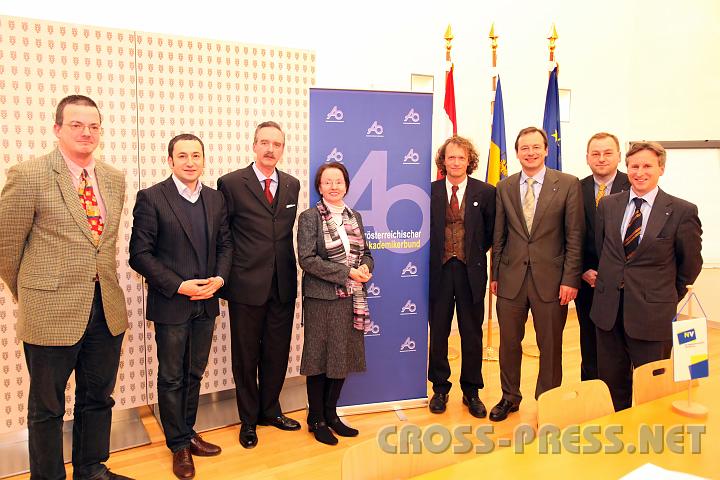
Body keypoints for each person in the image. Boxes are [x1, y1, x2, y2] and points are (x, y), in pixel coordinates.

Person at [0, 95, 132, 480]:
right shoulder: (29, 175)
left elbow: (101, 244)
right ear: (57, 129)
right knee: (47, 406)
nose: (86, 132)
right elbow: (6, 248)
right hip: (50, 313)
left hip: (105, 308)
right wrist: (34, 294)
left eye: (93, 125)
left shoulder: (112, 178)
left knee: (97, 398)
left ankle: (91, 468)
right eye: (76, 124)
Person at [129, 134, 232, 479]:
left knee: (194, 373)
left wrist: (219, 279)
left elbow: (226, 246)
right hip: (172, 303)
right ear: (170, 161)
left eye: (196, 155)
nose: (190, 161)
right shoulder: (152, 198)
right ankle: (178, 445)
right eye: (182, 156)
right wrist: (178, 285)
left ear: (204, 160)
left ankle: (187, 431)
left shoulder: (216, 199)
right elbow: (139, 254)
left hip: (206, 303)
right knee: (171, 376)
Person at [591, 142, 702, 411]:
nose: (640, 172)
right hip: (609, 313)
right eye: (634, 166)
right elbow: (602, 248)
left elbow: (690, 265)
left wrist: (664, 295)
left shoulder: (681, 211)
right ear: (626, 168)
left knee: (652, 389)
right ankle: (617, 437)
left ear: (661, 169)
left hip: (652, 315)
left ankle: (648, 441)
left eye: (647, 166)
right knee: (611, 385)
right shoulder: (608, 205)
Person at [489, 127, 584, 422]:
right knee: (508, 343)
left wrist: (570, 279)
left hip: (553, 282)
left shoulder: (568, 184)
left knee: (551, 346)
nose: (529, 153)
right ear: (516, 153)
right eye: (523, 148)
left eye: (535, 147)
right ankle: (509, 396)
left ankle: (548, 401)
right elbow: (499, 234)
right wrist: (495, 275)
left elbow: (575, 236)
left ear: (546, 150)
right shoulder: (505, 187)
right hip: (510, 279)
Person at [217, 121, 301, 449]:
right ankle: (248, 420)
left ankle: (270, 410)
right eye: (264, 142)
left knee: (277, 353)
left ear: (282, 149)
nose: (270, 149)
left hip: (282, 284)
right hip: (245, 285)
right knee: (246, 355)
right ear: (253, 146)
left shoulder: (292, 185)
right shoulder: (231, 183)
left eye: (276, 144)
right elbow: (223, 235)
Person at [297, 162, 373, 445]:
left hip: (351, 298)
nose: (333, 186)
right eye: (327, 182)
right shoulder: (309, 217)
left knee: (342, 356)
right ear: (319, 187)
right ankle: (315, 418)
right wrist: (346, 273)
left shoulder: (356, 217)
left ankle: (331, 414)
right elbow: (307, 259)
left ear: (346, 185)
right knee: (318, 358)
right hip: (322, 299)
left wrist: (364, 267)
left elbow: (365, 253)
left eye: (338, 181)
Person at [427, 136, 495, 418]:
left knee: (471, 332)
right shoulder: (429, 191)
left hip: (471, 273)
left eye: (461, 158)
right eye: (450, 157)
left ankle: (471, 390)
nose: (456, 162)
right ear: (443, 161)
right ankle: (440, 388)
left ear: (470, 161)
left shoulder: (486, 192)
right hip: (439, 272)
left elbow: (491, 234)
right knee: (439, 331)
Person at [576, 132, 631, 381]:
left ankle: (618, 399)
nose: (601, 158)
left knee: (619, 346)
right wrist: (582, 270)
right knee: (589, 343)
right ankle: (590, 397)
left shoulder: (634, 185)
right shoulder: (576, 188)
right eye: (595, 153)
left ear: (619, 156)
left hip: (623, 286)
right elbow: (570, 235)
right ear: (587, 157)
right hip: (587, 282)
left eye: (608, 152)